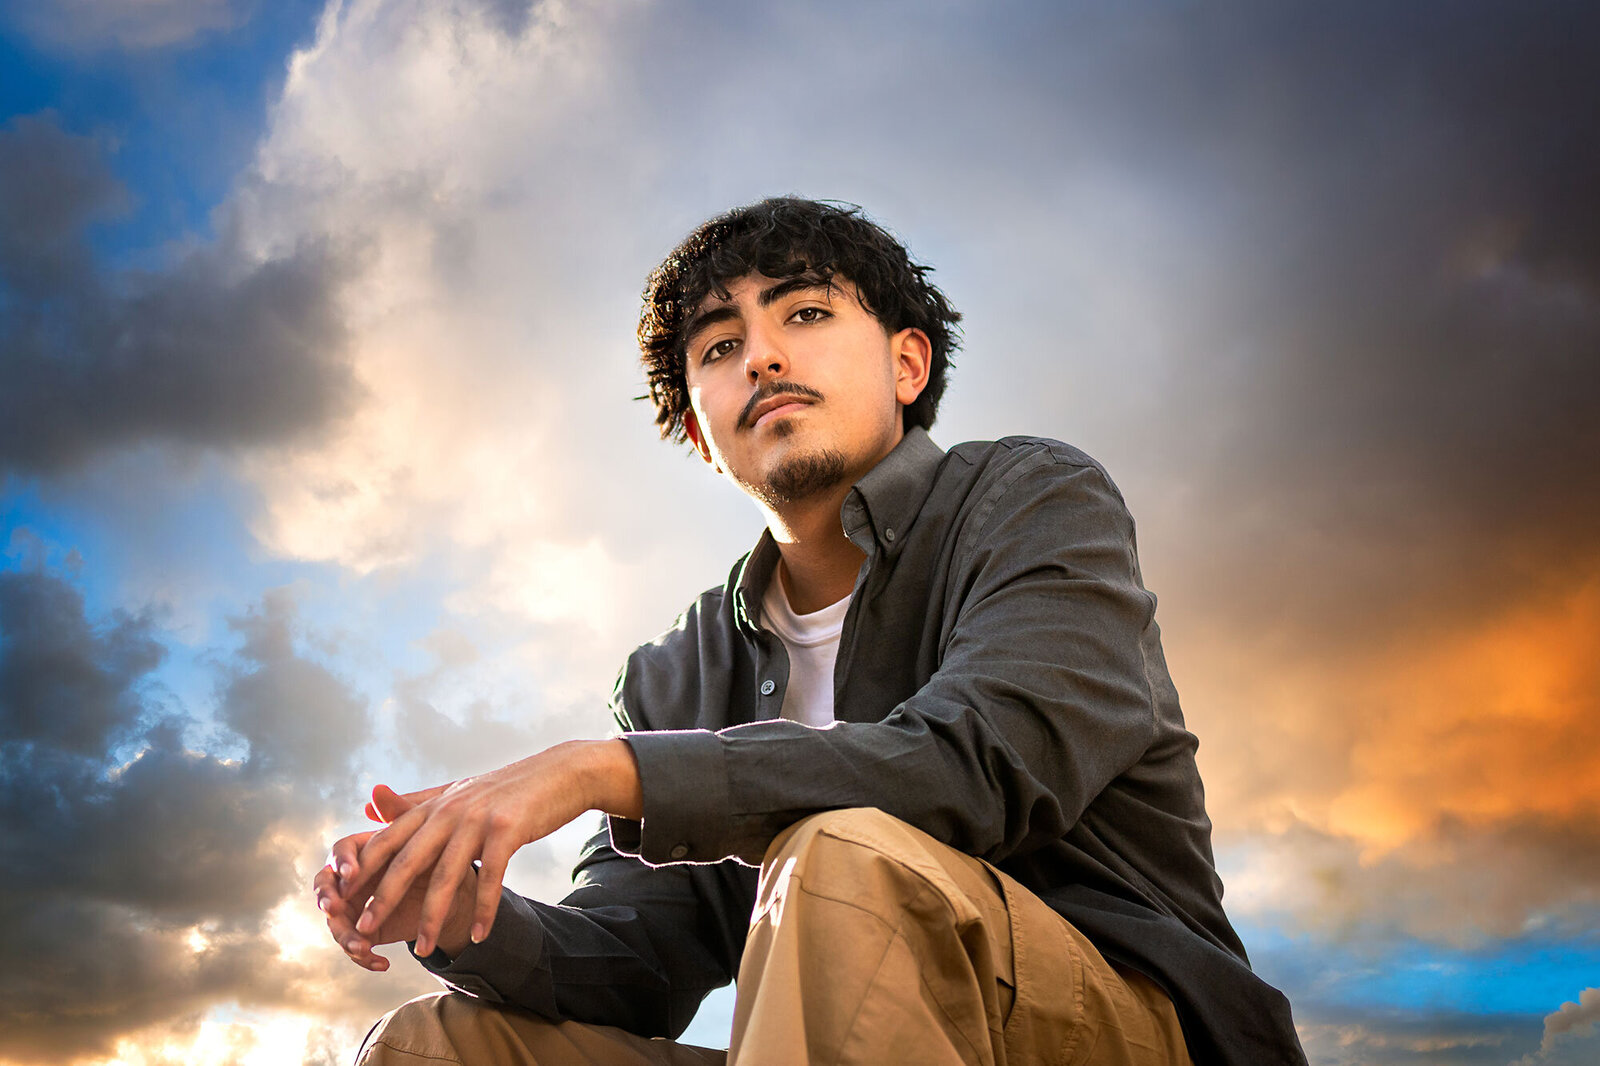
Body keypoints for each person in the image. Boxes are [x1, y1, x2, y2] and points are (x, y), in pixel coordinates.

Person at [314, 197, 1308, 1065]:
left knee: (847, 855)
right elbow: (634, 963)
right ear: (701, 434)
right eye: (719, 346)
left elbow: (978, 768)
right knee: (430, 1042)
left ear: (907, 362)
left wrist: (601, 770)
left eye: (806, 312)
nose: (765, 355)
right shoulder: (677, 668)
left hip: (1123, 1030)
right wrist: (449, 910)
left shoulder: (1033, 498)